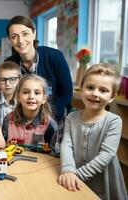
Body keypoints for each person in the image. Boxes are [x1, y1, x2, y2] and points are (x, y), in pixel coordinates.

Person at [58, 63, 128, 199]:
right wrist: (68, 170)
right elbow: (66, 145)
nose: (95, 93)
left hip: (103, 181)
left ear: (112, 97)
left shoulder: (114, 121)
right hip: (72, 174)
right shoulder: (71, 118)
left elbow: (106, 155)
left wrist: (76, 175)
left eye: (103, 90)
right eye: (90, 87)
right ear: (81, 89)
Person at [5, 15, 73, 123]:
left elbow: (67, 93)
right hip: (23, 120)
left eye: (25, 34)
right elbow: (9, 96)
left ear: (34, 33)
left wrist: (47, 118)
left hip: (55, 118)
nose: (20, 40)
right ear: (10, 40)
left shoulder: (54, 56)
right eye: (14, 36)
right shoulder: (10, 64)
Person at [2, 74, 59, 150]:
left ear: (44, 99)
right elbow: (2, 148)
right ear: (18, 97)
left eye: (37, 93)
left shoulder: (50, 125)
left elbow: (52, 154)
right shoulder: (8, 120)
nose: (31, 96)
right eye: (26, 92)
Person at [0, 61, 21, 126]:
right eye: (3, 80)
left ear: (19, 80)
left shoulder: (23, 101)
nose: (7, 84)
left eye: (12, 79)